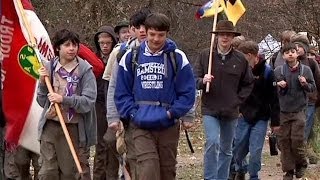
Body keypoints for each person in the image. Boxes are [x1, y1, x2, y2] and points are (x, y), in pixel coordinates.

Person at [114, 13, 196, 180]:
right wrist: (132, 113)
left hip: (168, 123)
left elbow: (187, 92)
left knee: (167, 171)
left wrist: (172, 113)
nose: (156, 39)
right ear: (146, 32)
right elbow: (121, 92)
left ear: (167, 34)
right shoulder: (131, 57)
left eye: (161, 35)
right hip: (141, 124)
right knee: (148, 169)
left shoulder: (177, 57)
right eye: (152, 34)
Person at [194, 20, 254, 180]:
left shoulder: (240, 59)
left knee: (227, 149)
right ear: (217, 36)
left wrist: (238, 100)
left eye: (228, 35)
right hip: (210, 108)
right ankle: (210, 177)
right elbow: (194, 79)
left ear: (233, 37)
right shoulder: (205, 55)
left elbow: (248, 83)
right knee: (212, 142)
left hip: (231, 110)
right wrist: (202, 81)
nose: (225, 37)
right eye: (222, 34)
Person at [37, 29, 97, 180]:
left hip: (73, 127)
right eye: (67, 45)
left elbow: (88, 101)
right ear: (58, 47)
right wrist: (43, 84)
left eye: (75, 45)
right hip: (50, 125)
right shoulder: (49, 67)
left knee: (69, 173)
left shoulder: (85, 70)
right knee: (47, 172)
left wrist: (64, 99)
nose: (72, 48)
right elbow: (42, 101)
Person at [103, 8, 150, 180]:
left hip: (154, 114)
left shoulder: (167, 51)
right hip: (129, 115)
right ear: (131, 30)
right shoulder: (121, 52)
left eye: (145, 26)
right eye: (137, 27)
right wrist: (113, 116)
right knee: (128, 156)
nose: (142, 31)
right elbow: (112, 85)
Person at [231, 40, 280, 180]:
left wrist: (275, 122)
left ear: (251, 55)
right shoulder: (239, 71)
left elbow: (274, 98)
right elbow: (234, 92)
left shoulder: (268, 72)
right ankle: (240, 168)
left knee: (255, 149)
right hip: (243, 115)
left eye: (243, 57)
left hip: (261, 117)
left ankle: (253, 175)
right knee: (239, 147)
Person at [274, 42, 316, 179]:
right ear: (283, 56)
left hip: (299, 110)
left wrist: (305, 84)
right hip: (283, 110)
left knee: (297, 139)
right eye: (287, 52)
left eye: (293, 51)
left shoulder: (305, 70)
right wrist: (278, 85)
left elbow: (312, 88)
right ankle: (288, 170)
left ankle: (301, 164)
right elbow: (272, 88)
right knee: (284, 141)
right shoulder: (278, 71)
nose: (290, 54)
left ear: (297, 53)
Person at [92, 25, 119, 180]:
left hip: (114, 104)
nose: (104, 46)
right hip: (98, 104)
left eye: (107, 42)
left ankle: (111, 176)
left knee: (113, 143)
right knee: (100, 144)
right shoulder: (93, 60)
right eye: (101, 42)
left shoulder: (117, 56)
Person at [290, 34, 320, 165]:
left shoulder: (311, 63)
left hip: (309, 101)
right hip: (293, 102)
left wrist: (317, 98)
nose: (297, 49)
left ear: (305, 48)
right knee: (293, 130)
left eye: (299, 46)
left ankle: (300, 157)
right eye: (294, 46)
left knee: (304, 129)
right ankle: (296, 155)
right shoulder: (289, 62)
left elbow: (318, 81)